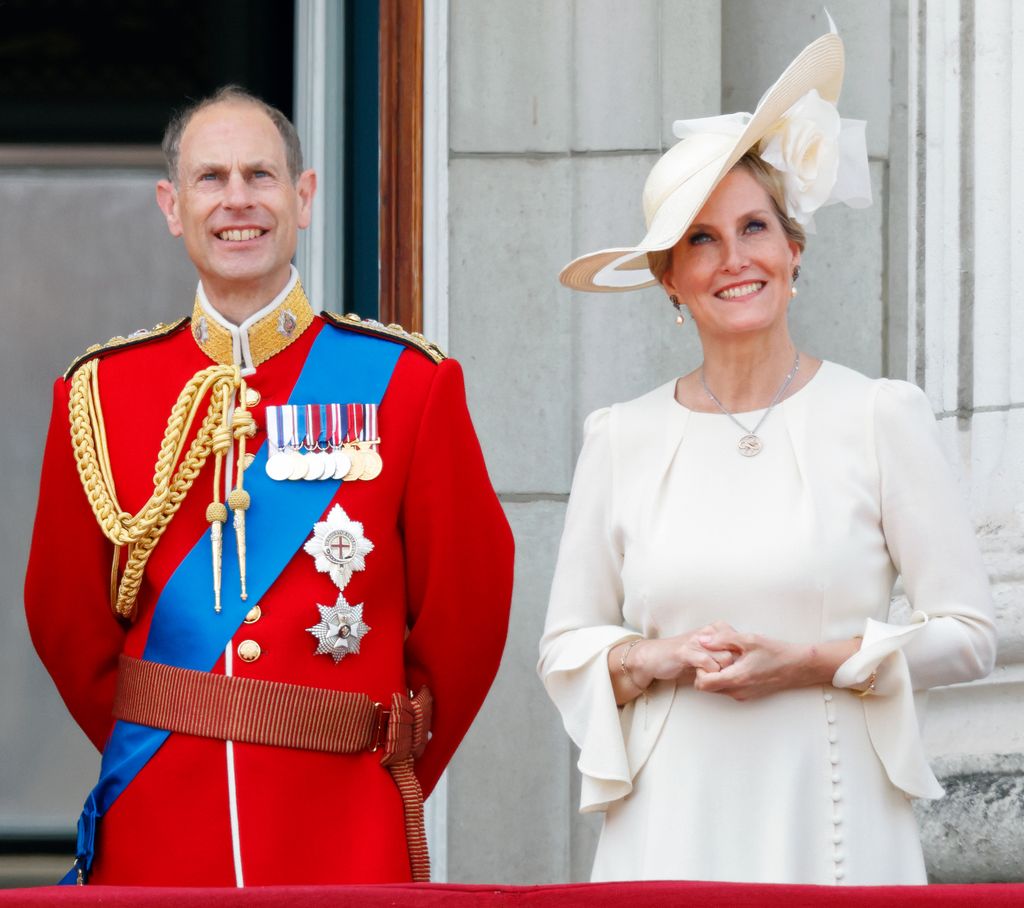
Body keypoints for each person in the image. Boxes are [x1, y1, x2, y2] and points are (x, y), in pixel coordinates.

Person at [538, 29, 996, 885]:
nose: (735, 258)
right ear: (669, 279)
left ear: (794, 252)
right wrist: (657, 658)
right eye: (701, 240)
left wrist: (814, 662)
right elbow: (565, 645)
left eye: (754, 227)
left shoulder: (877, 415)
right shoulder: (621, 437)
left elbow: (968, 635)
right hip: (667, 827)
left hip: (834, 820)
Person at [24, 86, 514, 887]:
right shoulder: (101, 393)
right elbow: (64, 619)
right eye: (210, 179)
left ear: (305, 197)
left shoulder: (405, 384)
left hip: (344, 823)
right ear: (171, 206)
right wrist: (169, 734)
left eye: (261, 175)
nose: (237, 200)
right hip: (160, 820)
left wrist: (375, 756)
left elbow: (467, 617)